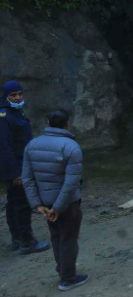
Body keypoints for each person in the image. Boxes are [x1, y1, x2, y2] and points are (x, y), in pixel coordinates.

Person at [22, 109, 88, 291]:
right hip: (68, 204)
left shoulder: (31, 145)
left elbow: (27, 179)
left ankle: (63, 270)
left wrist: (37, 204)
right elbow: (71, 183)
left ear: (48, 123)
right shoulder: (71, 147)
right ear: (67, 124)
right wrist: (58, 207)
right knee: (69, 239)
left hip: (46, 202)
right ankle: (68, 279)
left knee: (57, 236)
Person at [0, 80, 50, 255]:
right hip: (16, 166)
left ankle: (17, 238)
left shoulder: (15, 112)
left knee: (13, 202)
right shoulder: (4, 116)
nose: (18, 97)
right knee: (21, 203)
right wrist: (15, 173)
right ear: (6, 96)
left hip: (20, 164)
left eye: (20, 93)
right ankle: (27, 242)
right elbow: (3, 146)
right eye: (13, 95)